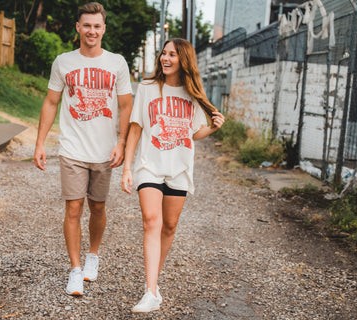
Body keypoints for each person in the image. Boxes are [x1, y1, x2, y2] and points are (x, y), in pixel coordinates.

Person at [33, 2, 133, 296]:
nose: (92, 31)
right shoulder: (63, 62)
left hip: (104, 151)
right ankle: (75, 269)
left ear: (104, 28)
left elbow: (126, 106)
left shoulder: (117, 63)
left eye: (97, 26)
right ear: (78, 27)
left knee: (98, 207)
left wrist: (122, 142)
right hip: (72, 149)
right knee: (73, 208)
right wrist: (40, 142)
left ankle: (93, 255)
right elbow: (51, 102)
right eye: (86, 25)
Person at [121, 38, 225, 313]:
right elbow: (136, 127)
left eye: (172, 55)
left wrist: (213, 129)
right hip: (149, 166)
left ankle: (153, 282)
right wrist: (127, 167)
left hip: (179, 168)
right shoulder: (146, 88)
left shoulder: (193, 95)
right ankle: (151, 290)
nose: (165, 59)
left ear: (184, 60)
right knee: (151, 221)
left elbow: (193, 132)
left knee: (169, 226)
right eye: (164, 53)